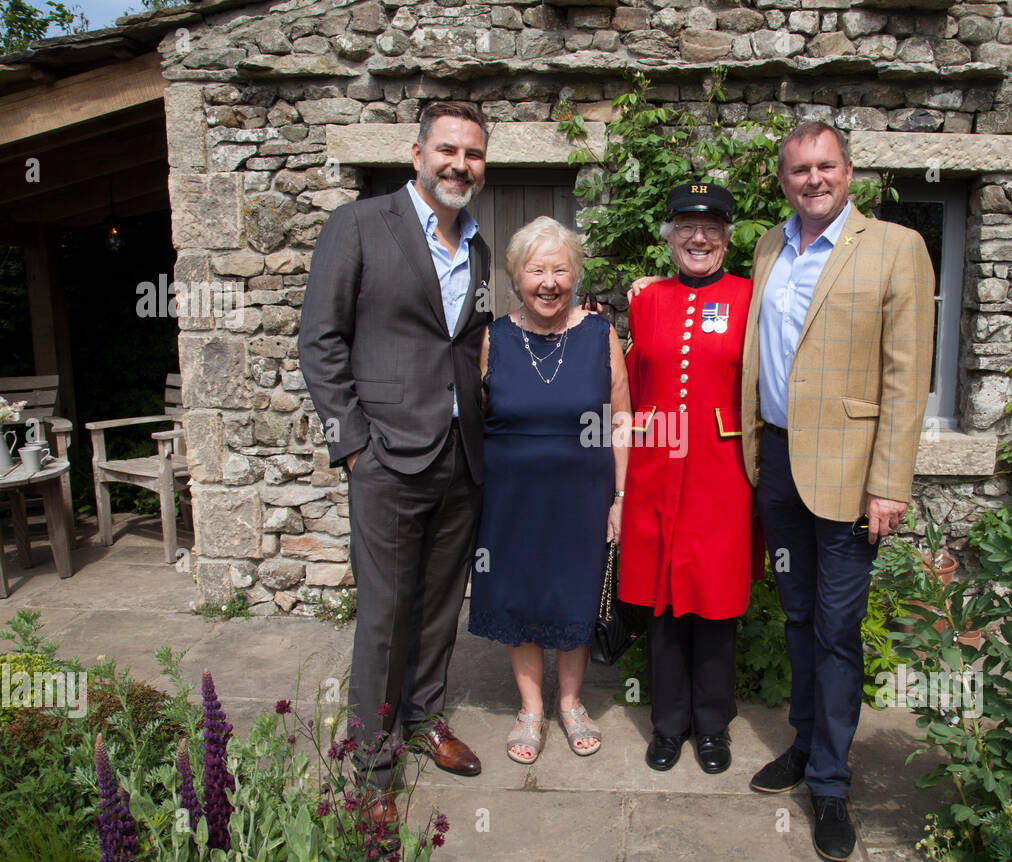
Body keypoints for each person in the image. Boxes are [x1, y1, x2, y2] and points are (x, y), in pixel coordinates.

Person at [742, 121, 935, 862]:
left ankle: (829, 781)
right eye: (798, 169)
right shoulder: (768, 247)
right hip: (781, 465)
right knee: (795, 615)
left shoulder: (894, 246)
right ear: (783, 178)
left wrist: (889, 483)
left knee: (835, 627)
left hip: (854, 480)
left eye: (825, 166)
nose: (812, 179)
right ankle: (802, 740)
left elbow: (906, 377)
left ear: (848, 172)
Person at [299, 101, 493, 821]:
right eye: (447, 150)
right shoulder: (358, 225)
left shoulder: (474, 244)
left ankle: (424, 719)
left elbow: (465, 340)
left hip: (459, 454)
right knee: (384, 612)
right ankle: (373, 767)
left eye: (472, 154)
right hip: (384, 455)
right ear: (416, 154)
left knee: (442, 603)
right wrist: (351, 443)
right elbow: (319, 338)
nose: (459, 164)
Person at [468, 216, 630, 764]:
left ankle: (571, 703)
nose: (548, 281)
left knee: (574, 594)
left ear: (575, 275)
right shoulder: (494, 337)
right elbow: (482, 414)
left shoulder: (599, 333)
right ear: (516, 277)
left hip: (583, 497)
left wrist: (621, 498)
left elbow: (623, 420)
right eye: (536, 269)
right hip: (512, 500)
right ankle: (531, 708)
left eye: (560, 269)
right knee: (520, 596)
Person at [620, 183, 756, 774]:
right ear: (669, 235)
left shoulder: (751, 297)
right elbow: (628, 385)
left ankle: (713, 727)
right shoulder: (645, 300)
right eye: (685, 227)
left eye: (711, 229)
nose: (697, 238)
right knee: (664, 605)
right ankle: (667, 725)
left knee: (716, 605)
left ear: (727, 237)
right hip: (655, 473)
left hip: (721, 476)